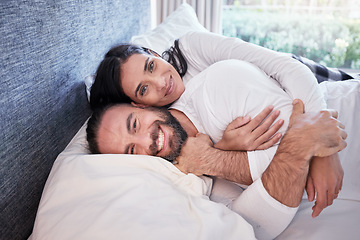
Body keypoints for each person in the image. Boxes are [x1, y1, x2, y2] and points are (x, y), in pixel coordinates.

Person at [86, 99, 347, 240]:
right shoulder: (188, 181)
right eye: (132, 151)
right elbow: (258, 227)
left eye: (135, 125)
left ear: (139, 105)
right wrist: (300, 142)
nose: (148, 141)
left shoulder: (213, 91)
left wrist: (324, 152)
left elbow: (303, 110)